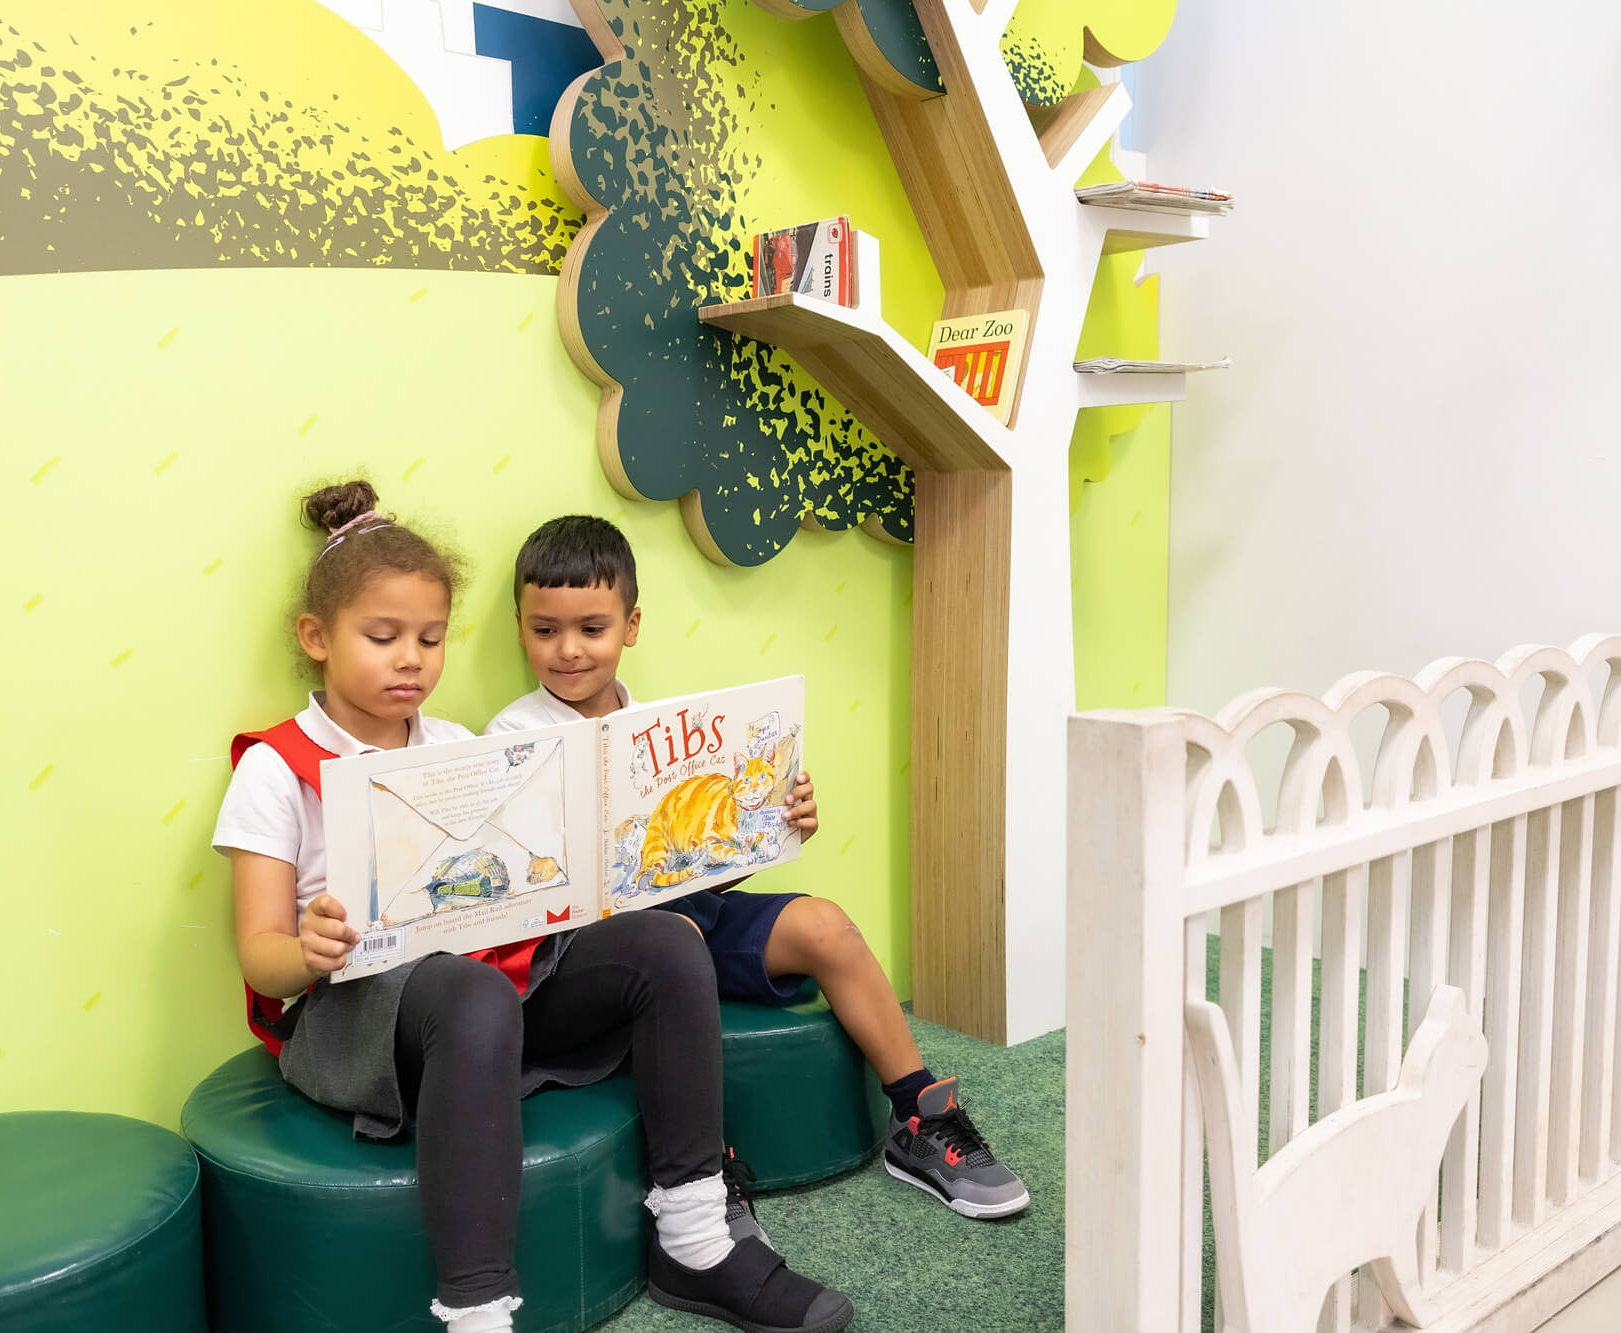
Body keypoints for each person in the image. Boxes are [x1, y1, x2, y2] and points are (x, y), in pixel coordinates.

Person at [211, 482, 855, 1333]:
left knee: (665, 943)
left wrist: (732, 834)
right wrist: (310, 946)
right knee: (470, 994)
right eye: (383, 637)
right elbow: (258, 955)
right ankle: (479, 1314)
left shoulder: (458, 747)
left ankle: (697, 1239)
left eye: (431, 639)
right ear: (316, 637)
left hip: (486, 987)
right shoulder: (277, 765)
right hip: (355, 1013)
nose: (412, 659)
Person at [485, 516, 1028, 1220]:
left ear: (632, 624)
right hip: (607, 953)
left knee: (825, 924)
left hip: (691, 913)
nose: (568, 650)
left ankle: (923, 1117)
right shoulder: (511, 735)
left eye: (592, 627)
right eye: (544, 629)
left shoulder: (661, 728)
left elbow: (701, 864)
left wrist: (778, 823)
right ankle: (705, 1168)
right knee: (671, 936)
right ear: (520, 628)